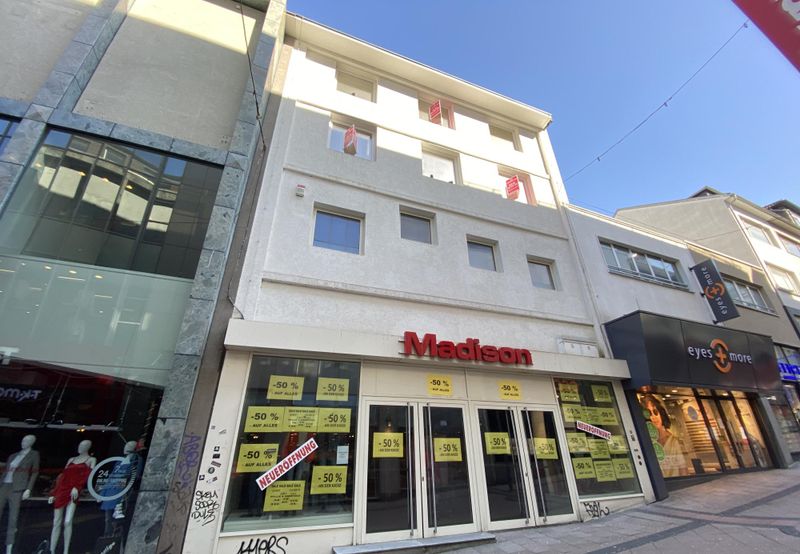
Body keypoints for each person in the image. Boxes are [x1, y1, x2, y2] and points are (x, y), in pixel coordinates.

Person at [48, 440, 96, 554]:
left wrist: (77, 487)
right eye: (80, 445)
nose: (80, 447)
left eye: (83, 445)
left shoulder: (91, 460)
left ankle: (66, 551)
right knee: (56, 522)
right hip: (62, 490)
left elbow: (88, 476)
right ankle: (51, 550)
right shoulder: (71, 460)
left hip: (74, 491)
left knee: (68, 521)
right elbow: (62, 477)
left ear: (88, 447)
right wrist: (54, 493)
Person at [0, 435, 39, 554]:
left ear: (31, 442)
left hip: (17, 488)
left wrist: (28, 489)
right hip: (4, 486)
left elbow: (34, 472)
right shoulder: (13, 456)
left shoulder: (34, 455)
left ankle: (9, 550)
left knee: (13, 518)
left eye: (26, 441)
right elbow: (6, 470)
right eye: (23, 440)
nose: (23, 442)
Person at [641, 394, 686, 477]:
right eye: (649, 414)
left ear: (661, 413)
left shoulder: (674, 441)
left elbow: (683, 469)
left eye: (655, 412)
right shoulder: (647, 442)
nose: (654, 417)